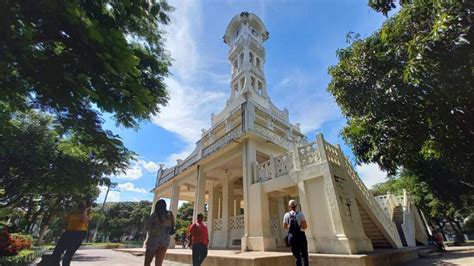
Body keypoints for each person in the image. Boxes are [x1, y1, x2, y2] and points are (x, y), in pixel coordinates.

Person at [51, 199, 92, 266]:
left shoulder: (89, 214)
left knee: (68, 255)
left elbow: (84, 220)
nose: (82, 205)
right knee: (56, 253)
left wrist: (85, 210)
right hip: (68, 233)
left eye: (84, 204)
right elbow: (66, 223)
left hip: (79, 234)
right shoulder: (73, 212)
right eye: (81, 203)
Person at [145, 199, 175, 266]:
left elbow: (148, 227)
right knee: (159, 263)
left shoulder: (154, 215)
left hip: (153, 241)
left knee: (147, 262)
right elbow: (173, 226)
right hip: (164, 241)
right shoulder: (170, 215)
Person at [283, 199, 309, 266]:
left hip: (292, 238)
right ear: (296, 206)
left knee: (297, 257)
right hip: (301, 237)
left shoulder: (286, 215)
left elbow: (284, 226)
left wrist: (291, 227)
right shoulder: (300, 214)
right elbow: (305, 226)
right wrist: (300, 226)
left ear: (289, 206)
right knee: (304, 255)